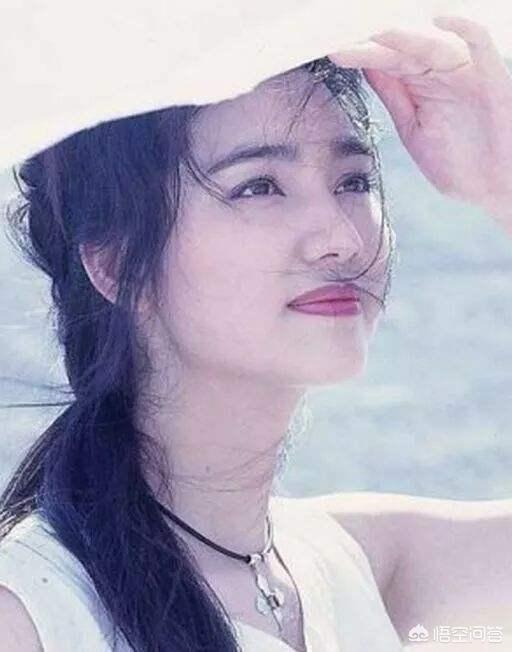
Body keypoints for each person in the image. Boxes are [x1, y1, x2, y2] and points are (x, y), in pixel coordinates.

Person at [0, 14, 511, 652]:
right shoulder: (33, 615)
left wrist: (503, 174)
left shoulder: (357, 570)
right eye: (259, 187)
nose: (340, 238)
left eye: (353, 181)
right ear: (116, 262)